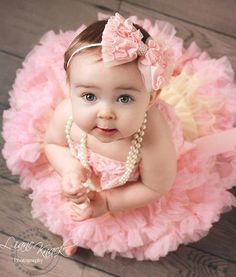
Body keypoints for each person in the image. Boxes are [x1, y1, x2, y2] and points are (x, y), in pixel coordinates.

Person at [2, 13, 236, 261]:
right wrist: (69, 169)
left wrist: (107, 203)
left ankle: (89, 230)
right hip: (84, 180)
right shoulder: (67, 115)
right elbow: (53, 144)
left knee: (114, 222)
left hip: (126, 192)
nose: (105, 113)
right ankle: (74, 232)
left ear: (150, 99)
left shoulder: (152, 138)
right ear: (70, 88)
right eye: (89, 96)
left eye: (124, 98)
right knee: (70, 209)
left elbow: (155, 186)